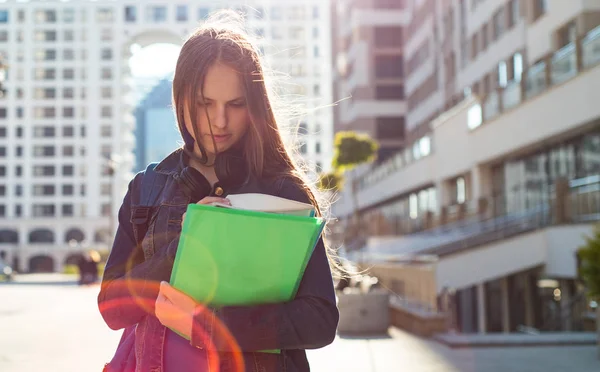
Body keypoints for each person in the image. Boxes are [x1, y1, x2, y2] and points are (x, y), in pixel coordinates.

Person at [98, 11, 339, 372]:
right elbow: (112, 309)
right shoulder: (146, 190)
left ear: (254, 106)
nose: (220, 121)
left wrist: (208, 327)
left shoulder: (282, 189)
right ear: (179, 99)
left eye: (236, 104)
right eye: (205, 103)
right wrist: (184, 247)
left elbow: (320, 321)